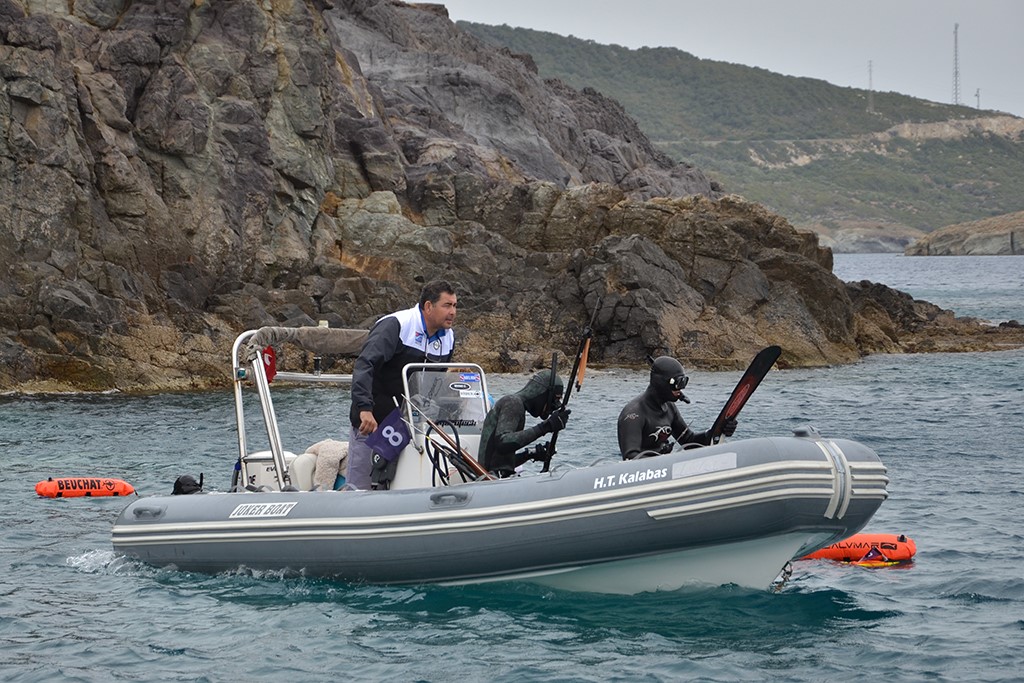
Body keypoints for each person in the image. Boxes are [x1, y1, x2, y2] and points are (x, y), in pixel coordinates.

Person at [347, 280, 458, 489]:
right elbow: (364, 365)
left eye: (454, 305)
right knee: (360, 487)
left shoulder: (448, 338)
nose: (453, 312)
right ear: (428, 306)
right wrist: (364, 408)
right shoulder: (397, 325)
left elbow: (436, 382)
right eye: (447, 305)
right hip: (373, 421)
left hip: (408, 424)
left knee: (397, 485)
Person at [617, 356, 737, 460]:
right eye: (677, 383)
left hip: (663, 468)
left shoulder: (669, 408)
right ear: (661, 383)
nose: (681, 389)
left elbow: (689, 441)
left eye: (684, 382)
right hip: (643, 477)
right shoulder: (633, 415)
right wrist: (662, 460)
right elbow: (631, 457)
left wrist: (716, 431)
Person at [478, 369, 572, 478]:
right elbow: (503, 443)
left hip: (494, 478)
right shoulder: (513, 403)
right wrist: (546, 427)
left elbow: (501, 463)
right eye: (554, 400)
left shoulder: (516, 405)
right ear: (543, 393)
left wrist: (529, 454)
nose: (554, 407)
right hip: (490, 480)